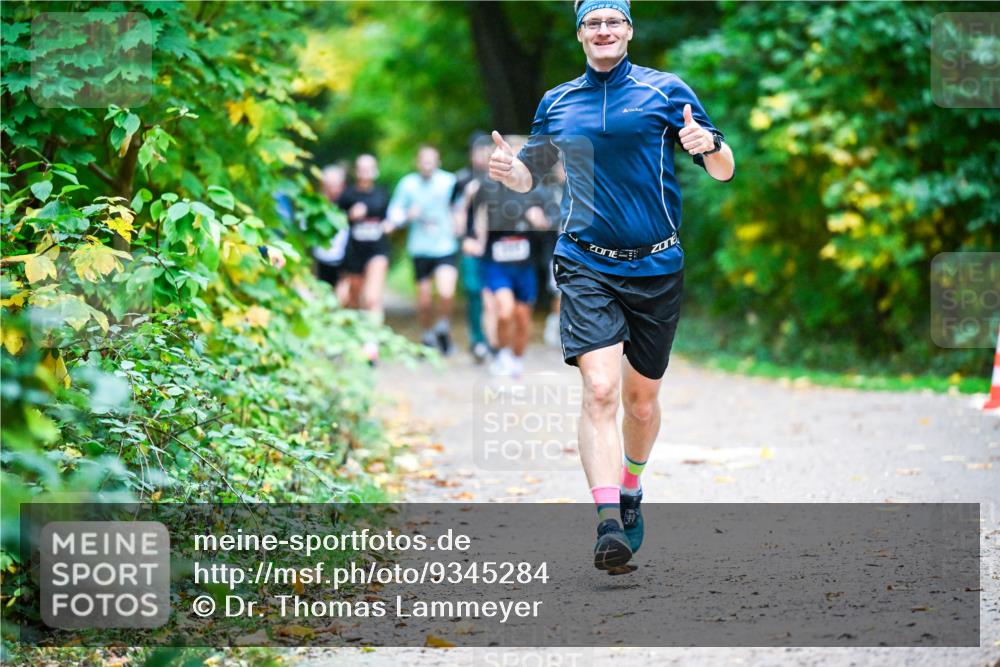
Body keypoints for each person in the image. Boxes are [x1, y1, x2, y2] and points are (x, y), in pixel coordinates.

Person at [488, 0, 735, 570]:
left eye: (613, 21)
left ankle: (631, 488)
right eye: (593, 23)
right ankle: (606, 523)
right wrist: (510, 173)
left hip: (655, 265)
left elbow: (724, 170)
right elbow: (531, 173)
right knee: (599, 389)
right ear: (580, 35)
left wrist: (710, 147)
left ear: (628, 30)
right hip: (585, 260)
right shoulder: (558, 101)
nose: (603, 30)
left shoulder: (665, 92)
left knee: (640, 403)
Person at [466, 136, 549, 377]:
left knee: (523, 319)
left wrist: (540, 222)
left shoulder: (538, 191)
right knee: (504, 311)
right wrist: (472, 239)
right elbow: (474, 219)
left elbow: (553, 226)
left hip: (525, 265)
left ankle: (516, 360)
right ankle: (501, 354)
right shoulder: (488, 187)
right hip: (496, 262)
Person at [387, 145, 459, 355]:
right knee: (425, 300)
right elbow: (394, 213)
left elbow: (462, 205)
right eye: (423, 160)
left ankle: (442, 326)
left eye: (431, 160)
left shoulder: (449, 181)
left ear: (438, 162)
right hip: (420, 248)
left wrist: (460, 222)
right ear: (417, 162)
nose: (427, 164)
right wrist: (406, 216)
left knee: (446, 292)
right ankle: (428, 334)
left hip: (445, 245)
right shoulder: (408, 184)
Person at [337, 154, 391, 364]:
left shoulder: (382, 193)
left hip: (377, 250)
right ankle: (354, 339)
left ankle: (371, 346)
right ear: (356, 171)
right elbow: (336, 220)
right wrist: (350, 215)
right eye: (362, 168)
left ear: (375, 171)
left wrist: (389, 225)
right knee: (353, 298)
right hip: (354, 253)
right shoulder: (347, 195)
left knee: (372, 299)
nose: (366, 172)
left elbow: (389, 217)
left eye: (370, 168)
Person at [452, 133, 493, 364]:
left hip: (495, 247)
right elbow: (455, 212)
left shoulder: (500, 177)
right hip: (470, 244)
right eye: (477, 151)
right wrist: (463, 239)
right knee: (474, 291)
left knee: (494, 294)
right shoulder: (462, 179)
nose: (481, 156)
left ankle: (493, 341)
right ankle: (477, 340)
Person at [313, 164, 350, 301]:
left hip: (345, 261)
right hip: (321, 260)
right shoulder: (314, 206)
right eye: (329, 186)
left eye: (336, 185)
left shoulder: (348, 204)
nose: (333, 190)